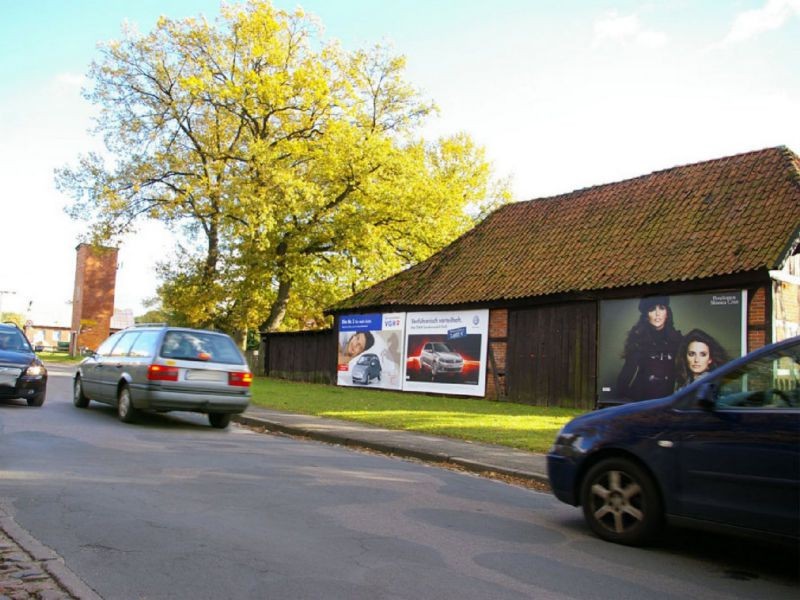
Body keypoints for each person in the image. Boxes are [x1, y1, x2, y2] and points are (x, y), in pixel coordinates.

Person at [615, 296, 683, 401]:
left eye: (661, 308)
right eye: (652, 309)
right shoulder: (638, 340)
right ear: (646, 315)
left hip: (667, 400)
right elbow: (625, 377)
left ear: (667, 313)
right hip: (642, 399)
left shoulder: (678, 340)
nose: (657, 313)